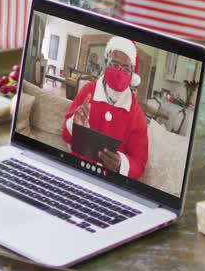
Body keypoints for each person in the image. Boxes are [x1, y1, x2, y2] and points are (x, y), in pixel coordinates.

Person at [61, 37, 150, 179]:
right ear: (105, 63)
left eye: (126, 68)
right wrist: (75, 124)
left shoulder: (136, 114)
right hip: (77, 172)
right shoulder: (88, 91)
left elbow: (139, 163)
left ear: (132, 74)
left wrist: (120, 163)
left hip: (110, 183)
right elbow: (65, 134)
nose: (119, 72)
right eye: (114, 64)